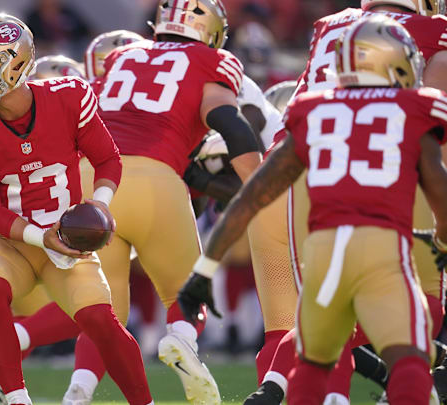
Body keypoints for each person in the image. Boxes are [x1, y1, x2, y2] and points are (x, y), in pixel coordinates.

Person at [178, 14, 447, 404]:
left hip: (323, 259)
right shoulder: (415, 107)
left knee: (312, 363)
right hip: (383, 249)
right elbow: (438, 187)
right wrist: (441, 238)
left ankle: (273, 389)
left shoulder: (313, 109)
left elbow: (253, 196)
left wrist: (204, 271)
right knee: (408, 356)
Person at [0, 13, 153, 405]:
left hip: (68, 233)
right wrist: (42, 238)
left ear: (15, 64)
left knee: (98, 320)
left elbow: (108, 160)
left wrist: (98, 208)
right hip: (8, 239)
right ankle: (17, 399)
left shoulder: (68, 96)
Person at [65, 1, 261, 404]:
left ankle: (78, 391)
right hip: (155, 179)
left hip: (93, 183)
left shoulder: (121, 56)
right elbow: (230, 124)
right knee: (188, 297)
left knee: (105, 315)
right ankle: (183, 342)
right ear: (211, 29)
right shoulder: (212, 61)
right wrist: (261, 185)